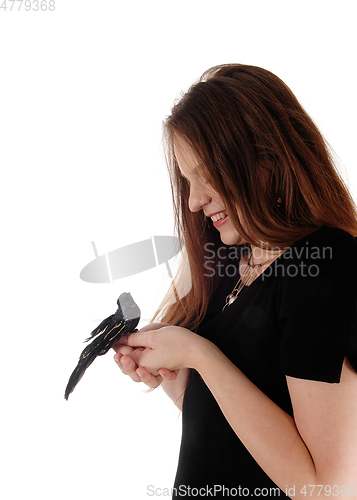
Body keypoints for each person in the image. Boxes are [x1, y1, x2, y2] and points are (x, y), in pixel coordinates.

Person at [113, 64, 357, 499]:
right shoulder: (229, 259)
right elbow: (228, 437)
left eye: (206, 175)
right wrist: (172, 369)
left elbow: (327, 488)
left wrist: (200, 354)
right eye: (188, 181)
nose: (194, 201)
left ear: (266, 158)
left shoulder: (325, 263)